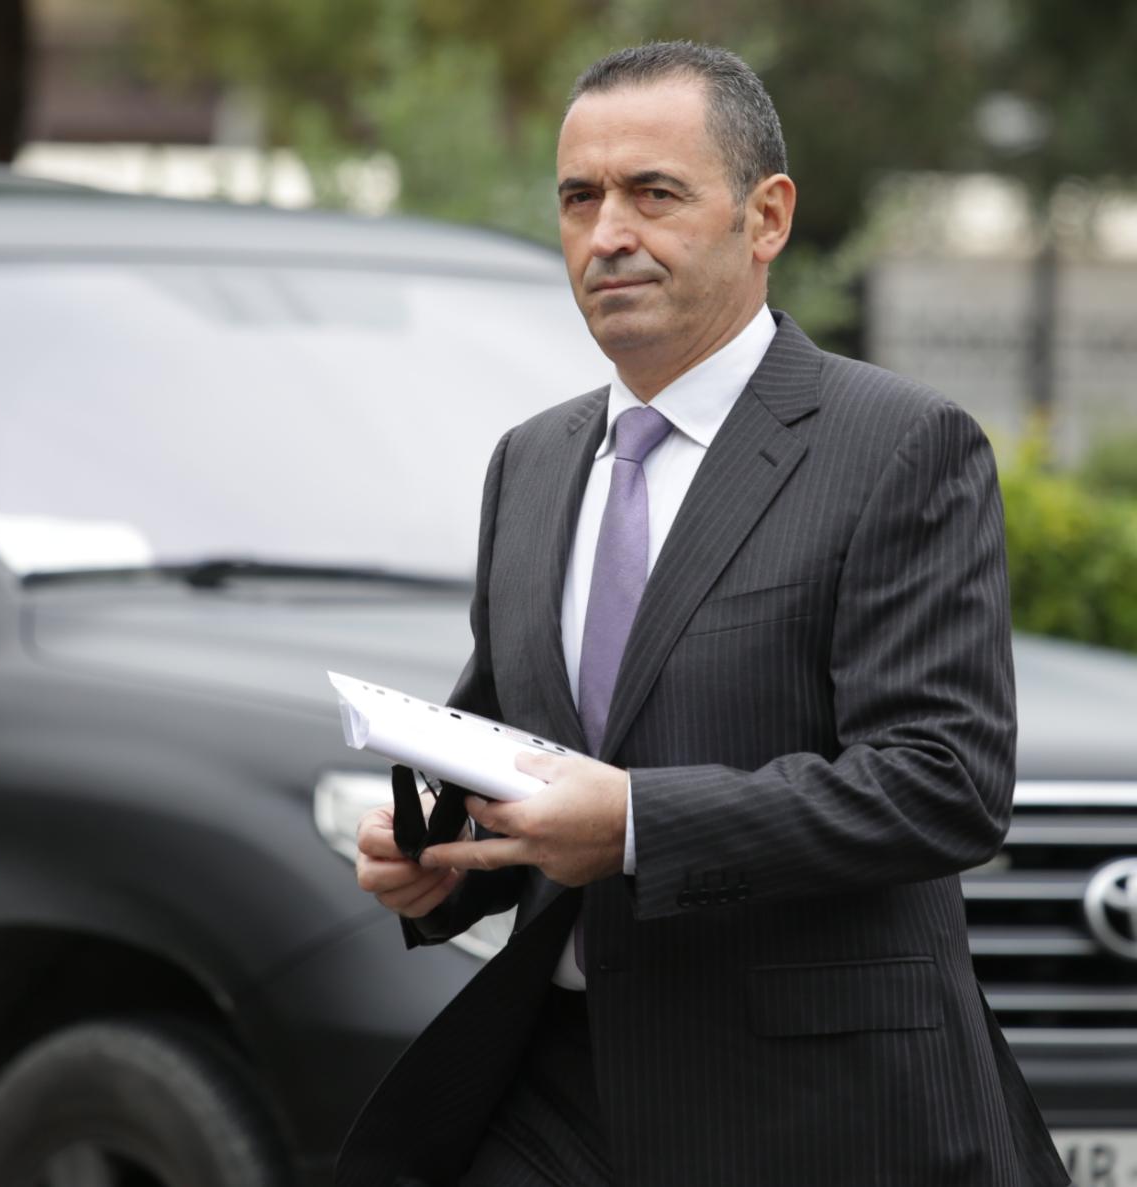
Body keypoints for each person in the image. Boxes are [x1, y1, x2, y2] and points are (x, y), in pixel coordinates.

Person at [339, 41, 1069, 1187]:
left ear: (764, 217)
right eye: (579, 198)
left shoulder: (896, 446)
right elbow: (513, 739)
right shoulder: (530, 461)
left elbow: (942, 781)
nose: (607, 234)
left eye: (653, 194)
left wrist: (638, 823)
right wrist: (438, 856)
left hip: (800, 1106)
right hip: (552, 1084)